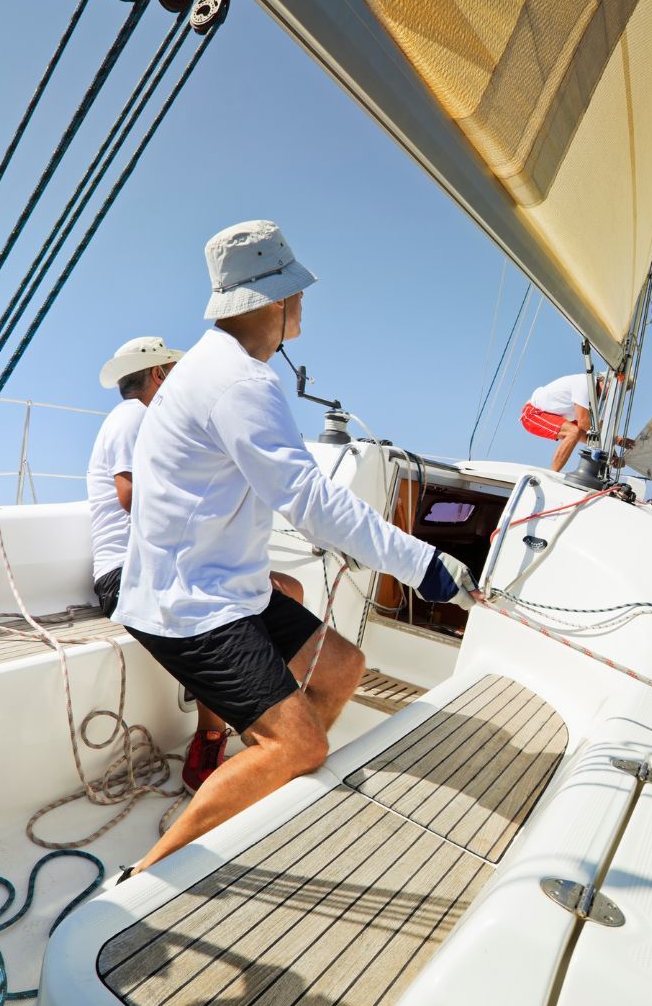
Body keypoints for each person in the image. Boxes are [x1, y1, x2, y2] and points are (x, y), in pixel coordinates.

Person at [112, 219, 478, 879]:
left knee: (340, 666)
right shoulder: (240, 383)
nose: (303, 304)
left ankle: (262, 792)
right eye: (295, 293)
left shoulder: (217, 368)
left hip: (225, 585)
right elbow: (309, 499)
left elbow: (278, 484)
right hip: (189, 606)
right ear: (271, 302)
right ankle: (151, 873)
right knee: (302, 744)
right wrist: (423, 565)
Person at [87, 336, 304, 795]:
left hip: (155, 567)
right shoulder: (135, 417)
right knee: (216, 607)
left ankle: (261, 708)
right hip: (126, 577)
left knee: (287, 588)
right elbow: (130, 498)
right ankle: (211, 734)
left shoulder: (144, 420)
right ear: (161, 375)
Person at [520, 373, 602, 471]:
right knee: (573, 432)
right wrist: (606, 444)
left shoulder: (601, 400)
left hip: (556, 415)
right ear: (604, 381)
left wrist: (615, 446)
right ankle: (553, 472)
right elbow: (584, 423)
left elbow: (600, 429)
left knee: (583, 433)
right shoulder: (586, 383)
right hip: (533, 413)